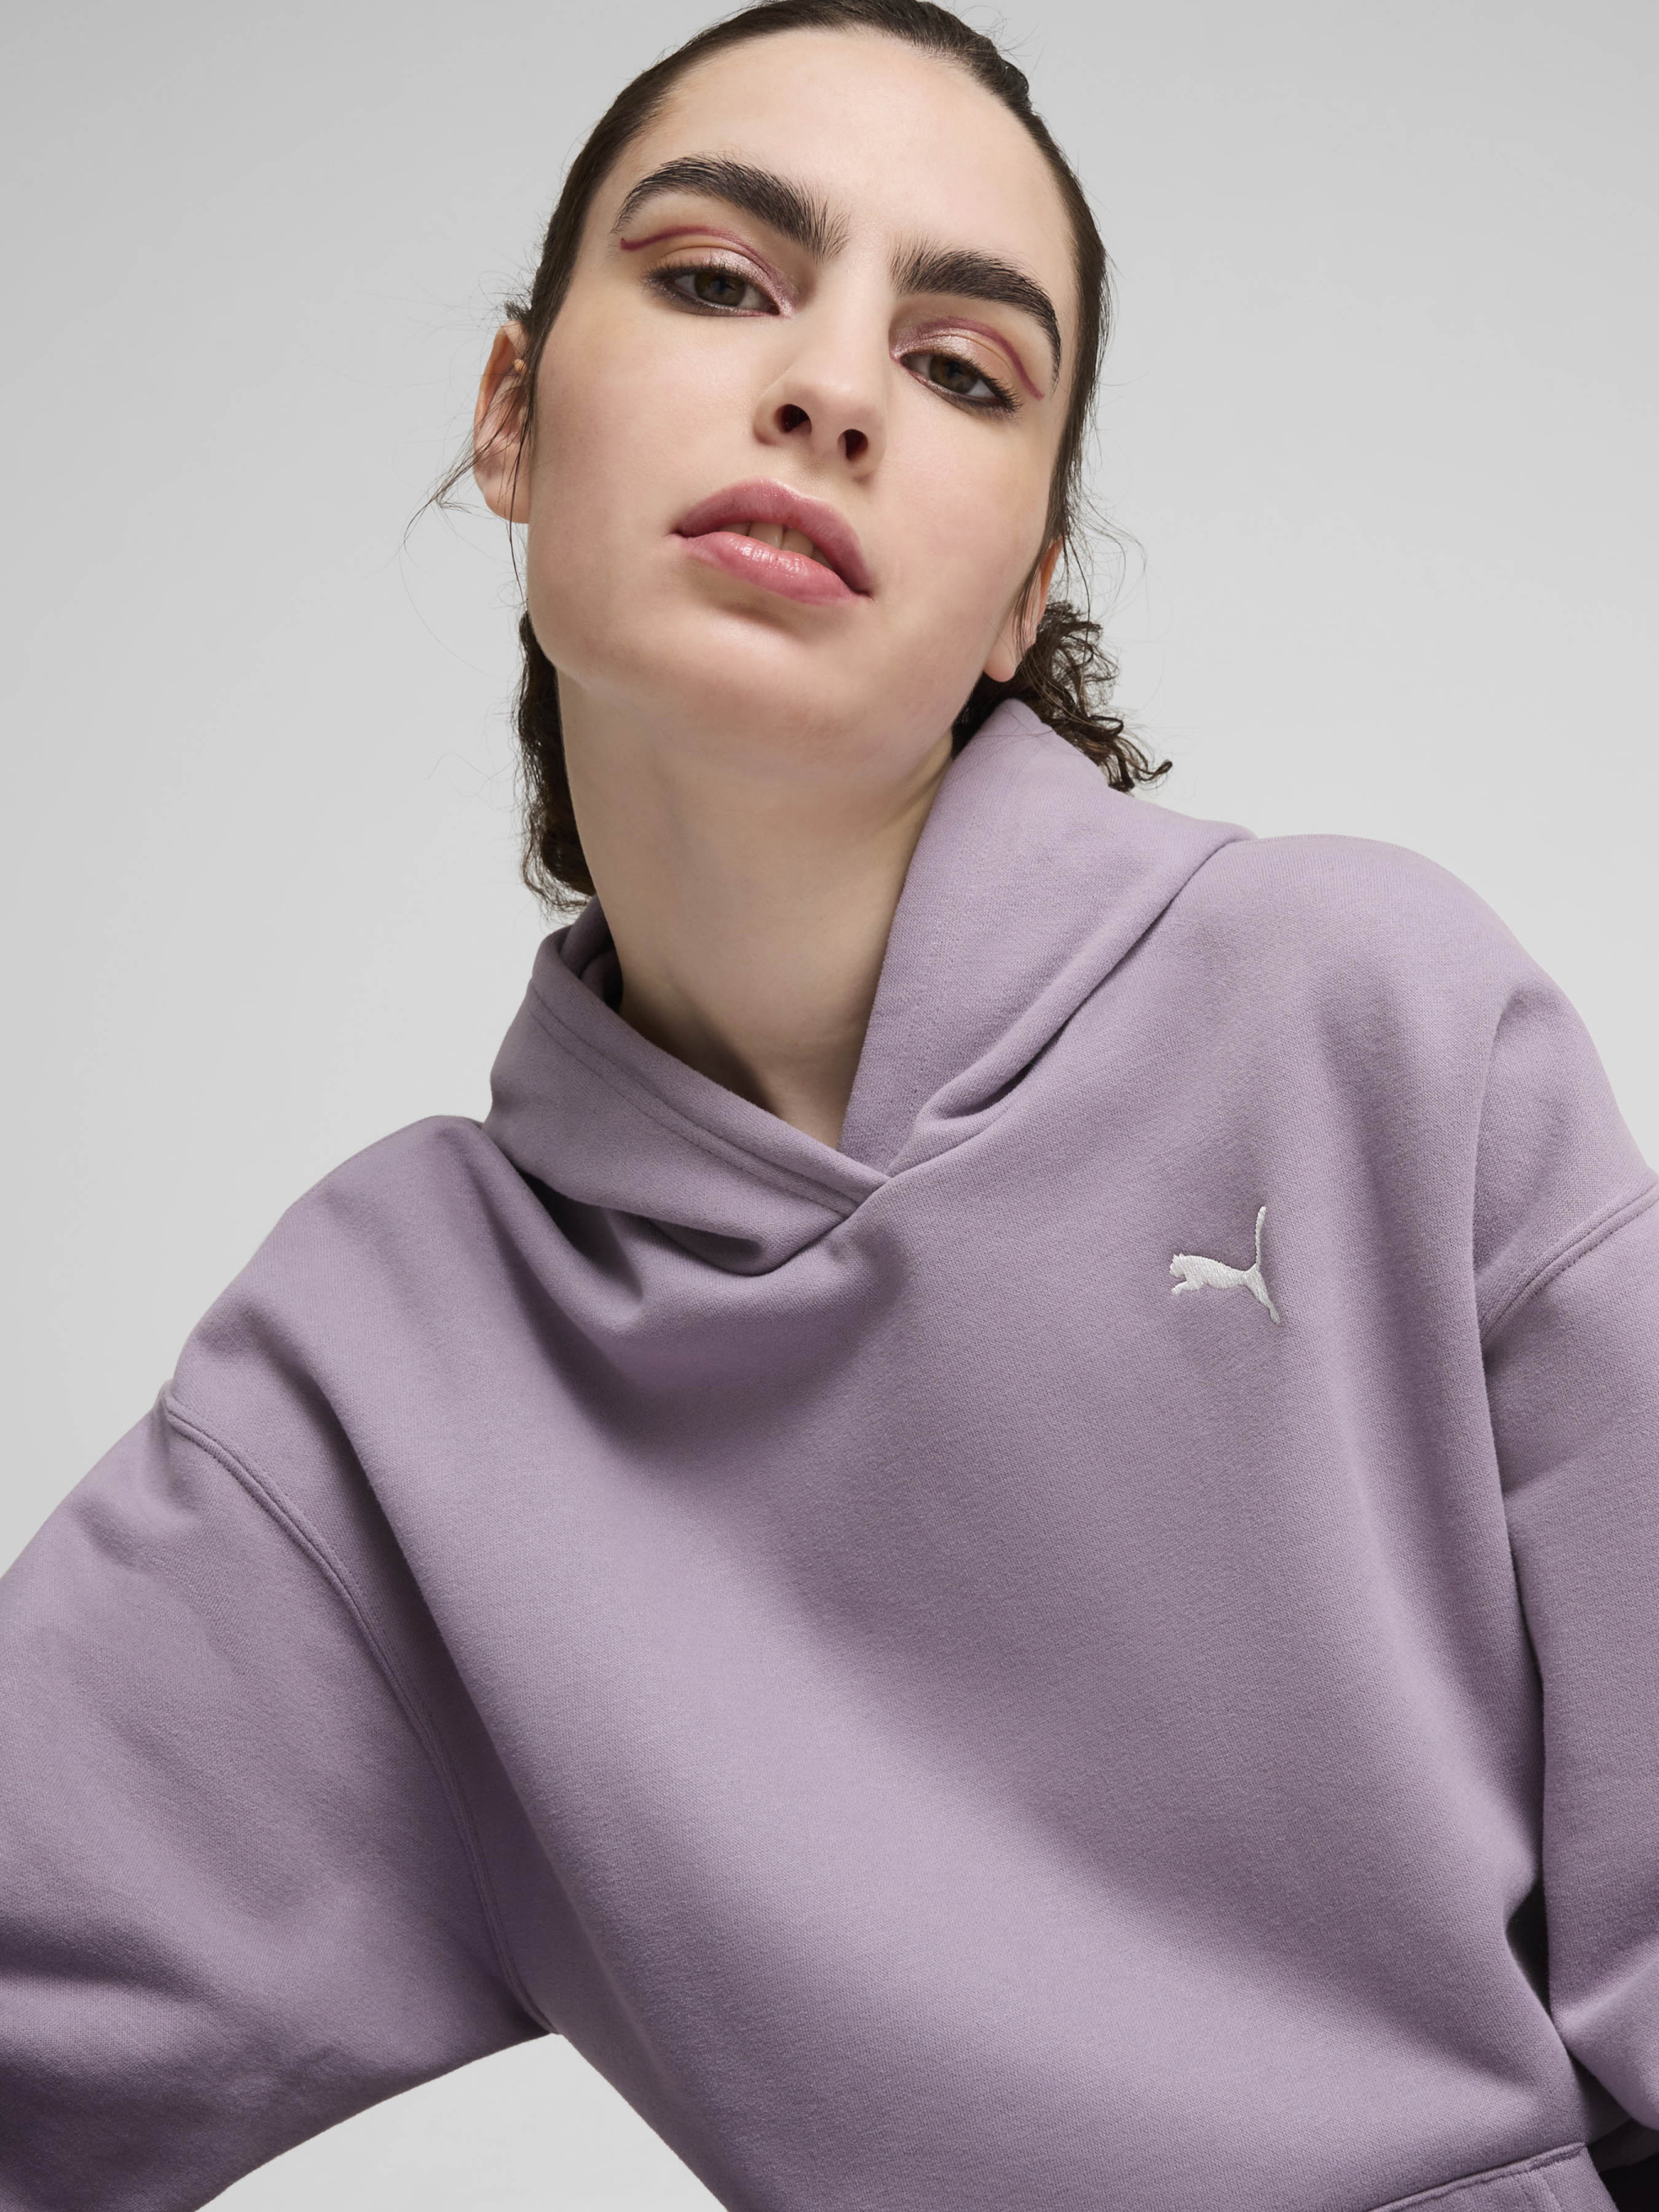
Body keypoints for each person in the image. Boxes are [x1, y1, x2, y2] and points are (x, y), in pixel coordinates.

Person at [3, 3, 1657, 2208]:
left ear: (1023, 592)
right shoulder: (383, 1386)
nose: (831, 389)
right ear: (510, 416)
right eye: (716, 279)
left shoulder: (1368, 1018)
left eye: (962, 368)